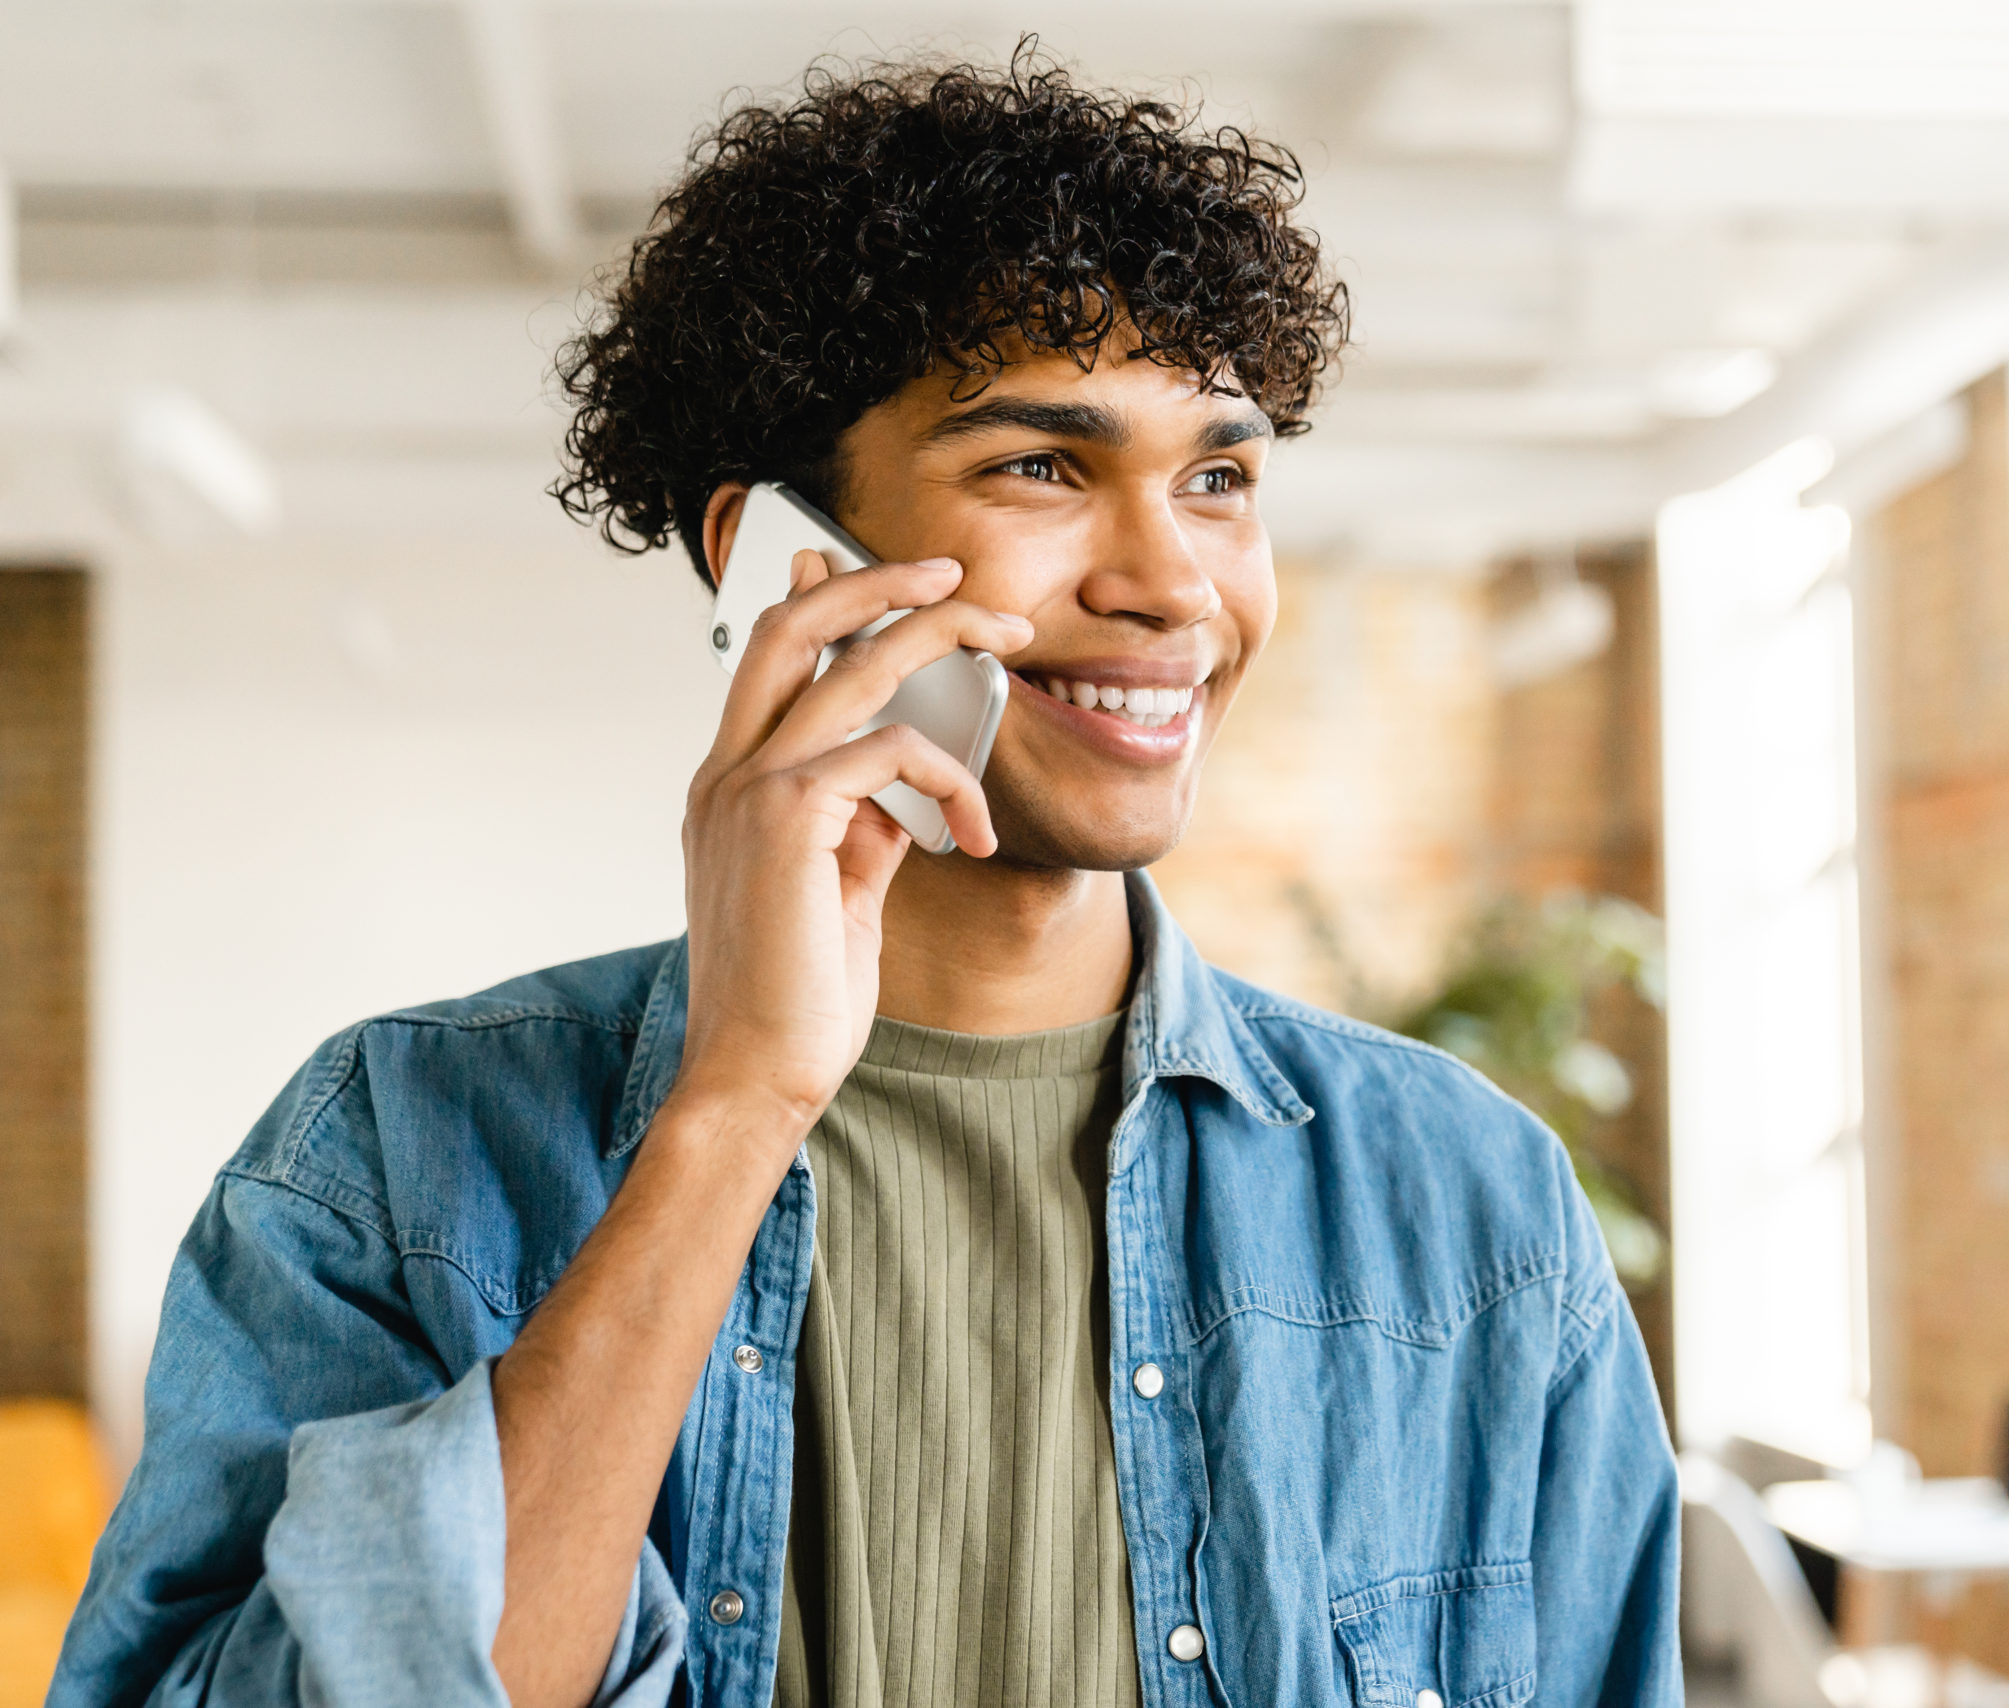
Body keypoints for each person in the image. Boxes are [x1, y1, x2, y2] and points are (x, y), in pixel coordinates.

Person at [49, 50, 1680, 1708]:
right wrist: (736, 1105)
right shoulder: (394, 1159)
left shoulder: (1472, 1211)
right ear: (778, 559)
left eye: (1221, 478)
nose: (1173, 584)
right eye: (1040, 467)